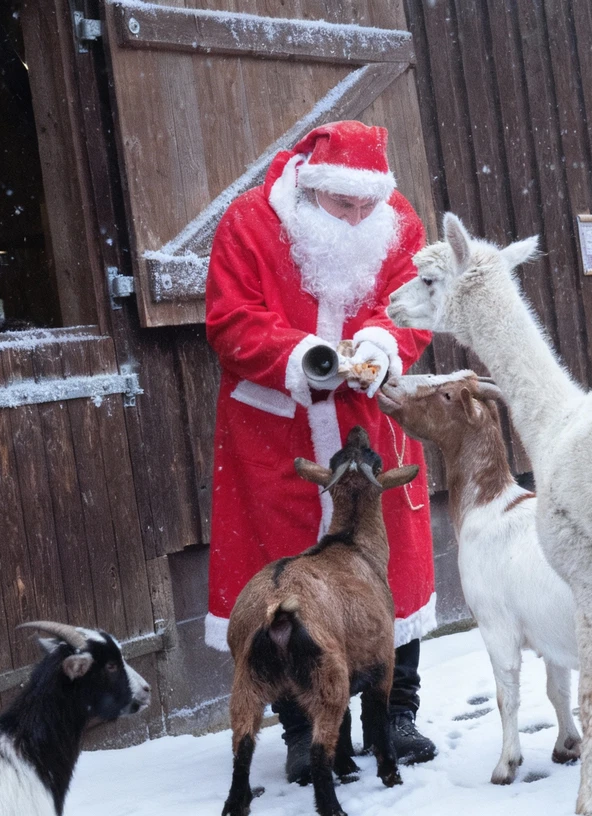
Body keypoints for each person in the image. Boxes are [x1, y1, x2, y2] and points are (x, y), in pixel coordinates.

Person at [204, 120, 438, 782]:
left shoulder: (394, 221)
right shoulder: (250, 223)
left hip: (365, 429)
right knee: (283, 578)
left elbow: (412, 306)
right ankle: (303, 728)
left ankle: (394, 713)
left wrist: (381, 345)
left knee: (394, 570)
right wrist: (306, 356)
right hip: (275, 434)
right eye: (345, 205)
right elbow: (230, 320)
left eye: (369, 205)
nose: (361, 215)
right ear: (311, 190)